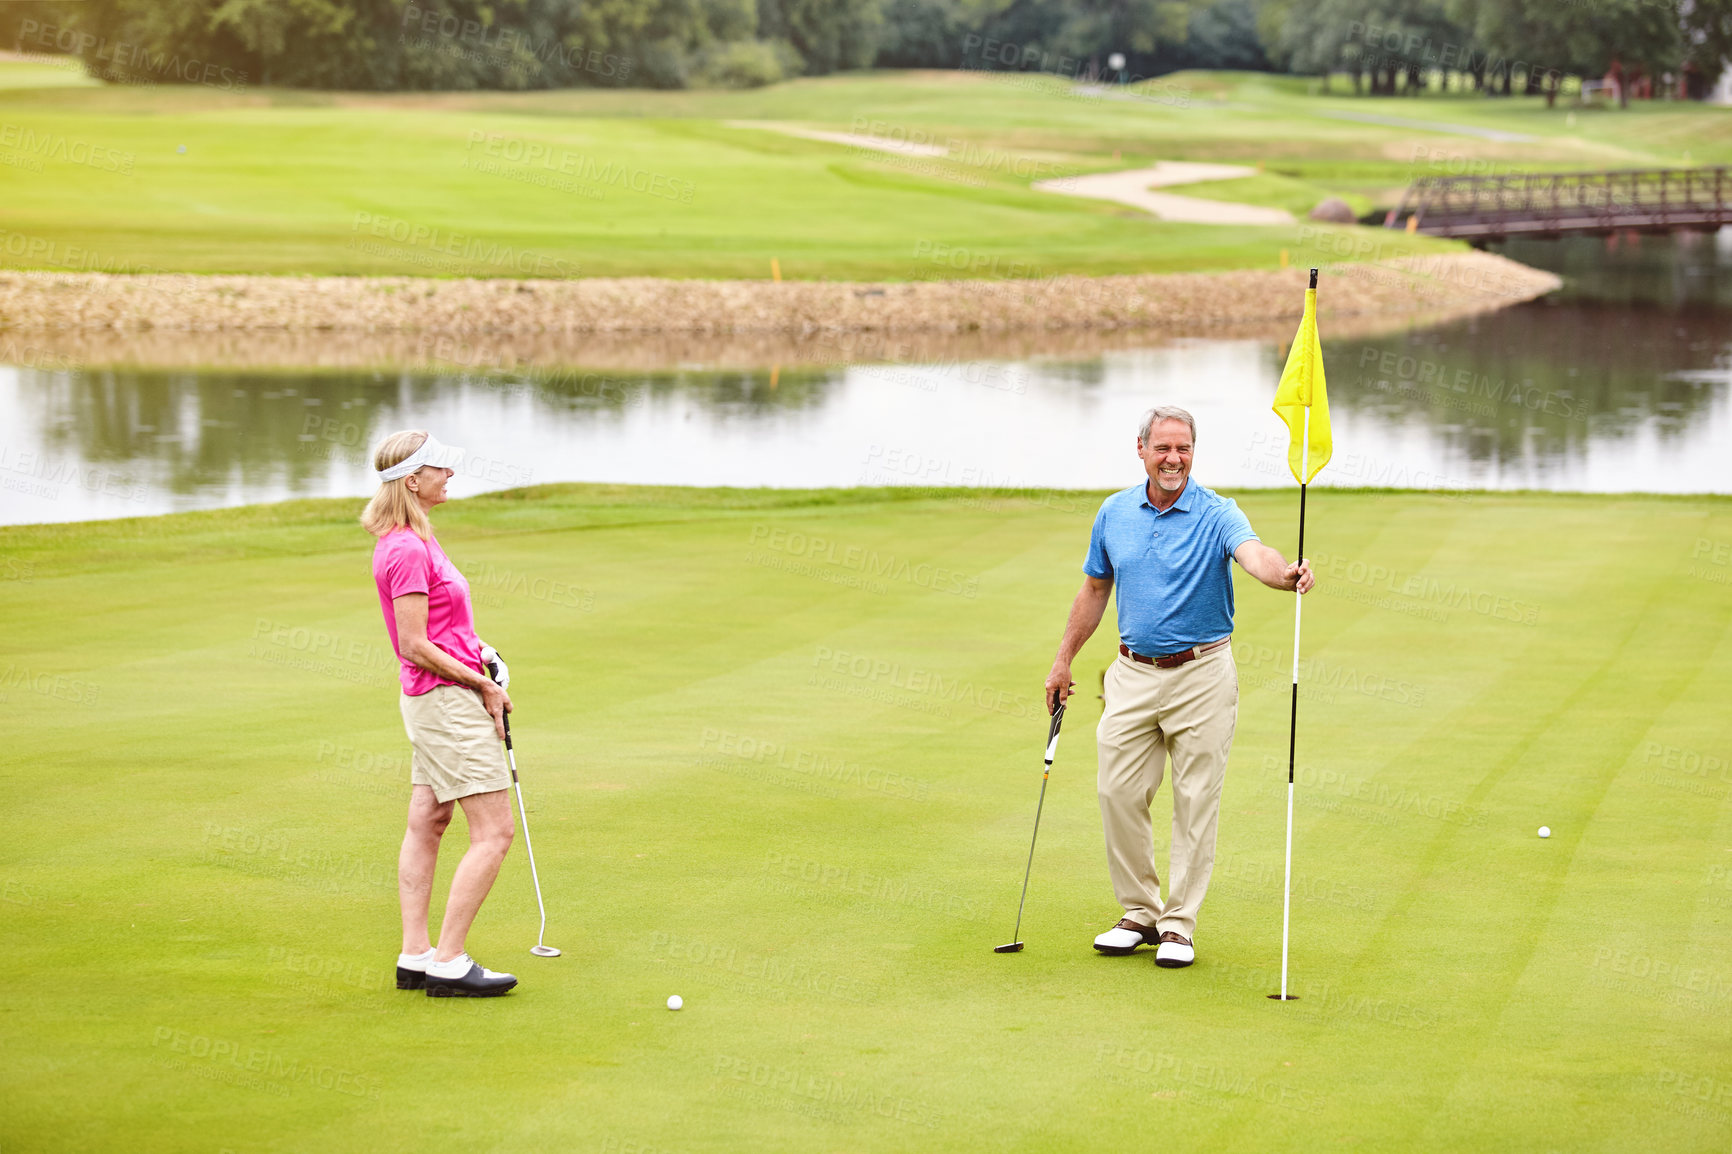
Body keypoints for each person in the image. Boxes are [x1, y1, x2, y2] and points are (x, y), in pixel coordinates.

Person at [1043, 406, 1314, 968]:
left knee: (1195, 803)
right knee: (1116, 790)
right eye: (1163, 448)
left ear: (1194, 452)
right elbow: (1095, 589)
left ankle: (1178, 926)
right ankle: (1138, 912)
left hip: (1202, 675)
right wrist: (1064, 659)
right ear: (1140, 450)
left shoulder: (1218, 513)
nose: (1174, 459)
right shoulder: (1114, 513)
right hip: (1131, 673)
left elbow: (1254, 555)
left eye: (1183, 449)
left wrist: (1284, 574)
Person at [362, 429, 520, 998]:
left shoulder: (418, 537)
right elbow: (412, 643)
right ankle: (448, 962)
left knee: (429, 820)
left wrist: (480, 650)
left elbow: (441, 629)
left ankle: (414, 954)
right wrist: (482, 683)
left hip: (439, 694)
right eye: (440, 470)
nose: (449, 476)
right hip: (445, 700)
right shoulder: (404, 547)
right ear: (412, 479)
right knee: (494, 831)